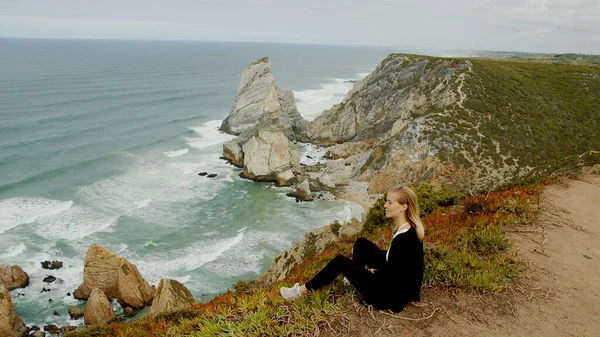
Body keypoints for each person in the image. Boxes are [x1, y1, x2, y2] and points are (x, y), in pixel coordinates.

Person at [280, 185, 425, 312]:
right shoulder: (409, 230)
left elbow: (399, 276)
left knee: (340, 262)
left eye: (389, 202)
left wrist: (376, 272)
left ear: (404, 207)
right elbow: (403, 265)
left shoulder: (404, 240)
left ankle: (300, 292)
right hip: (393, 289)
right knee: (361, 243)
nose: (385, 205)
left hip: (387, 298)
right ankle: (352, 279)